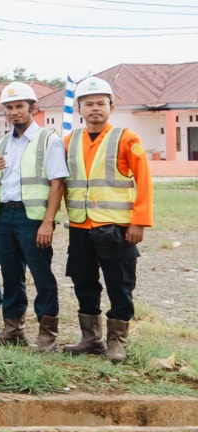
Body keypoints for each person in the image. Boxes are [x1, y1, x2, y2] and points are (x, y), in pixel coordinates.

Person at [61, 76, 152, 363]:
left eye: (101, 103)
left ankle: (117, 342)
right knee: (83, 282)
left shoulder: (127, 138)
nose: (95, 108)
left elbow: (144, 182)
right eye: (89, 104)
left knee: (119, 284)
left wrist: (139, 222)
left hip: (116, 229)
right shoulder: (68, 140)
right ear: (79, 109)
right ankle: (90, 340)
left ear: (112, 106)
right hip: (79, 226)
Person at [0, 82, 68, 348]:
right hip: (4, 216)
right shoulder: (2, 142)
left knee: (41, 275)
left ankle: (47, 334)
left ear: (33, 108)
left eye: (19, 106)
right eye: (8, 107)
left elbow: (57, 183)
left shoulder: (48, 140)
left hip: (32, 219)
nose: (13, 112)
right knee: (10, 274)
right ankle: (13, 328)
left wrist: (47, 222)